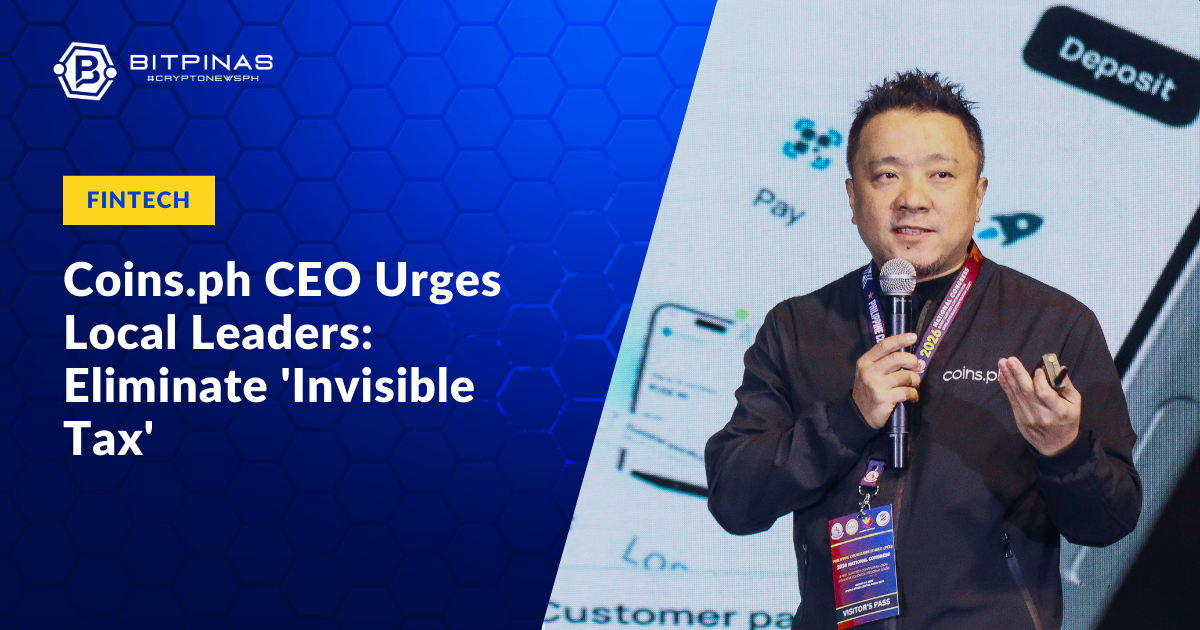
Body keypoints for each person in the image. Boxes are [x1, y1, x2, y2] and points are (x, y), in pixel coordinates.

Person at [704, 70, 1141, 630]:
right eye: (886, 175)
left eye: (941, 175)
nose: (913, 199)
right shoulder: (798, 326)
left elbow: (1110, 522)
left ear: (978, 195)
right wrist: (846, 420)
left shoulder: (1054, 324)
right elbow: (734, 501)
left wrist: (1065, 451)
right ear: (853, 197)